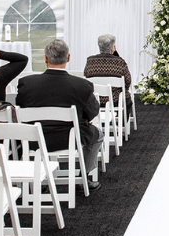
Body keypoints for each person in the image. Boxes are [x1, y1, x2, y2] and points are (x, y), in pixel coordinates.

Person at [16, 39, 104, 188]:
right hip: (69, 138)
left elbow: (21, 109)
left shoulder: (26, 83)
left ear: (45, 59)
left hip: (33, 139)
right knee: (98, 134)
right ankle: (84, 176)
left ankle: (36, 176)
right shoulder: (82, 85)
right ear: (68, 58)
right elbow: (93, 112)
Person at [84, 33, 133, 117]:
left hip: (95, 99)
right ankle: (121, 125)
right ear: (113, 47)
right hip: (115, 100)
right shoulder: (120, 62)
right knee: (126, 97)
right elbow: (128, 81)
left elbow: (86, 77)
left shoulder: (90, 61)